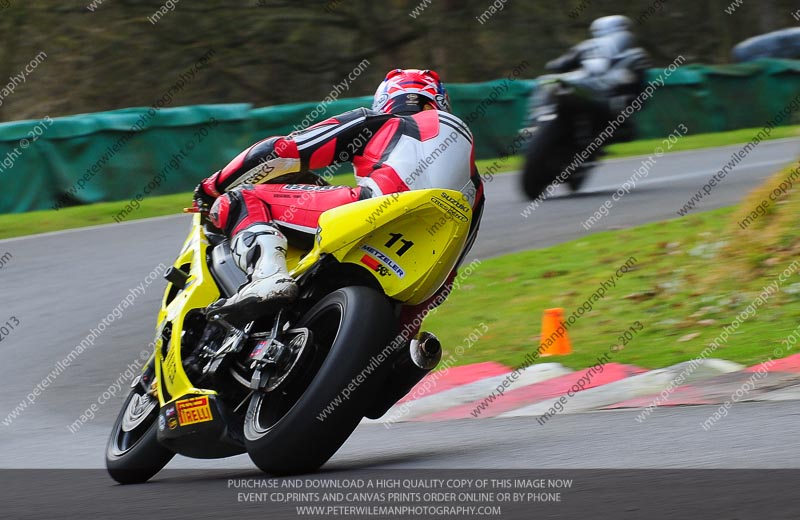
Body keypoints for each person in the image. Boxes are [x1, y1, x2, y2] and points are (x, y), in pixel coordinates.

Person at [192, 69, 484, 329]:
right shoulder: (476, 183)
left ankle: (268, 277)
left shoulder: (382, 121)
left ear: (385, 100)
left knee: (240, 199)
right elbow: (452, 266)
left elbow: (282, 151)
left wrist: (213, 186)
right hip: (422, 267)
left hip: (373, 207)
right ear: (441, 101)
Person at [543, 15, 650, 115]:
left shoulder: (587, 46)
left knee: (547, 81)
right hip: (619, 102)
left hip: (592, 99)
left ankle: (537, 121)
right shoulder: (638, 54)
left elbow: (559, 65)